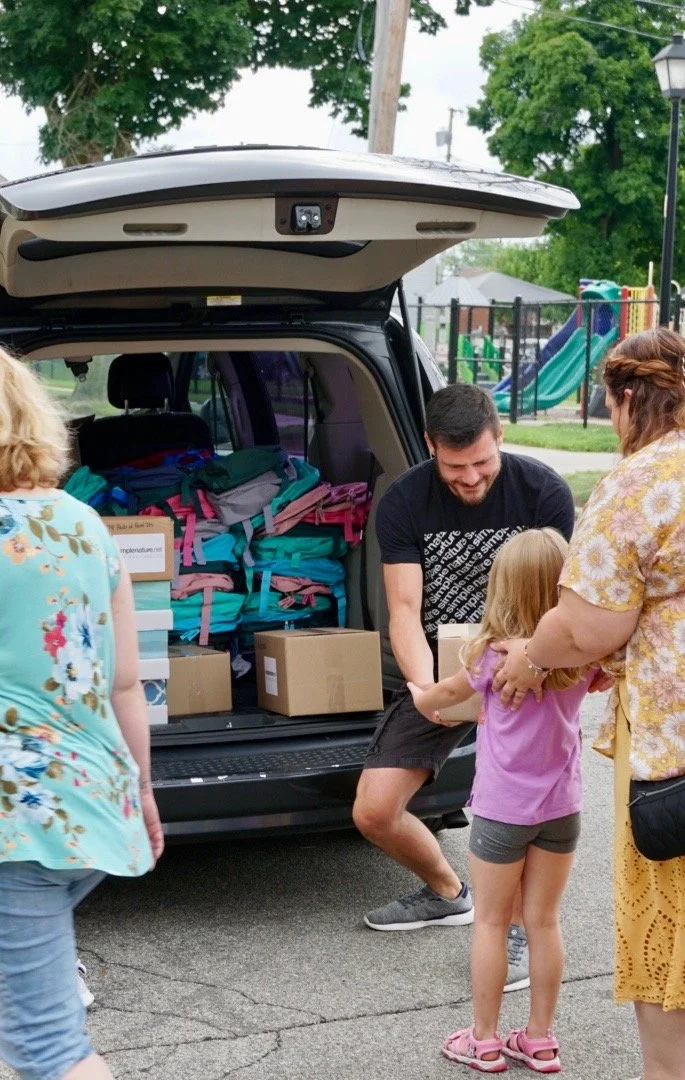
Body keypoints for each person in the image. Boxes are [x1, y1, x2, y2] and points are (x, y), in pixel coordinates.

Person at [493, 327, 685, 1080]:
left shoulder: (639, 482)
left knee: (670, 946)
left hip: (674, 752)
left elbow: (586, 624)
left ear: (626, 397)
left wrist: (528, 657)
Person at [352, 383, 576, 993]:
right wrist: (425, 688)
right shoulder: (405, 500)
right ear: (430, 447)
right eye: (455, 467)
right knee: (373, 811)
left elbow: (565, 605)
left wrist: (530, 662)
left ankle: (519, 933)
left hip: (529, 674)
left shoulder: (543, 492)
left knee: (524, 812)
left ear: (499, 436)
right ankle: (451, 894)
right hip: (446, 669)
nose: (471, 478)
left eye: (482, 462)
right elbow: (404, 607)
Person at [0, 346, 164, 1080]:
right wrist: (144, 792)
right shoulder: (85, 525)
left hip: (16, 828)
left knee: (50, 1054)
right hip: (91, 804)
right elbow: (127, 684)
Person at [409, 529, 593, 1073]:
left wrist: (423, 698)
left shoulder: (491, 656)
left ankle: (484, 1039)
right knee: (543, 920)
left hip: (501, 813)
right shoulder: (582, 659)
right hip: (563, 808)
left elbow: (444, 698)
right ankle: (539, 1038)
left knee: (490, 921)